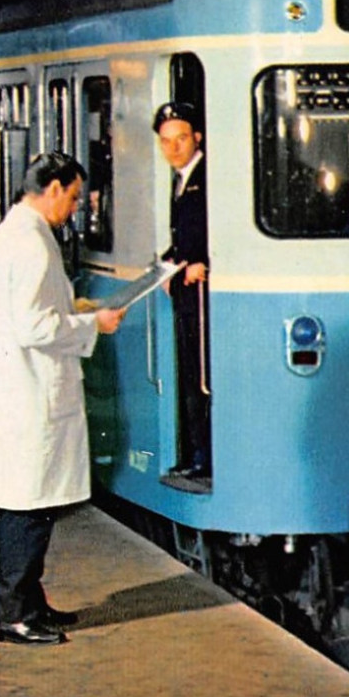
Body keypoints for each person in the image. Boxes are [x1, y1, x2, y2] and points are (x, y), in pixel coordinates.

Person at [0, 152, 125, 645]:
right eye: (73, 196)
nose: (74, 206)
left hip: (21, 390)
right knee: (28, 508)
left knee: (34, 503)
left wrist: (70, 308)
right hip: (29, 394)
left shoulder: (12, 235)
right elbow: (34, 327)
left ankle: (30, 603)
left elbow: (27, 310)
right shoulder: (31, 243)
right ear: (52, 188)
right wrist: (90, 323)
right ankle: (12, 615)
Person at [153, 101, 211, 489]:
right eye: (166, 141)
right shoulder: (183, 175)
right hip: (188, 294)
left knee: (200, 377)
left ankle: (203, 460)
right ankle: (194, 457)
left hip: (204, 298)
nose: (173, 148)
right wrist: (169, 261)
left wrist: (199, 261)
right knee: (190, 376)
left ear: (197, 138)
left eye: (181, 139)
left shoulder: (206, 178)